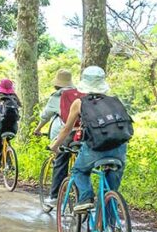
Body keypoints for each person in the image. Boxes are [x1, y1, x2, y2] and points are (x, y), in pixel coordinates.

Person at [49, 65, 131, 213]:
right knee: (109, 194)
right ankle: (110, 230)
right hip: (119, 148)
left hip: (96, 147)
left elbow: (66, 129)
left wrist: (55, 146)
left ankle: (85, 198)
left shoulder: (79, 103)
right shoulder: (115, 100)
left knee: (78, 170)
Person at [33, 69, 77, 206]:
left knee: (60, 160)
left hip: (63, 133)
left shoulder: (56, 96)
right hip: (81, 133)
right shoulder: (80, 95)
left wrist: (38, 129)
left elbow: (45, 116)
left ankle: (54, 196)